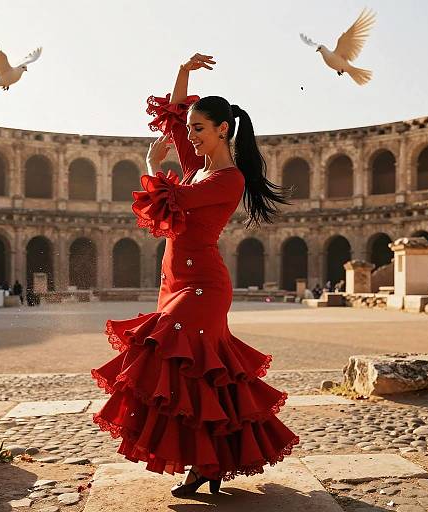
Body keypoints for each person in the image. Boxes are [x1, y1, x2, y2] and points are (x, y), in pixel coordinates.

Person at [91, 53, 299, 497]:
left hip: (203, 285)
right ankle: (208, 464)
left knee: (163, 351)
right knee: (203, 377)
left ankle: (205, 463)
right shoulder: (196, 166)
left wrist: (150, 166)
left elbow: (167, 201)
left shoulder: (228, 179)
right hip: (174, 283)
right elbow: (173, 117)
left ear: (223, 129)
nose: (189, 136)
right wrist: (183, 73)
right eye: (190, 131)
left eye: (198, 129)